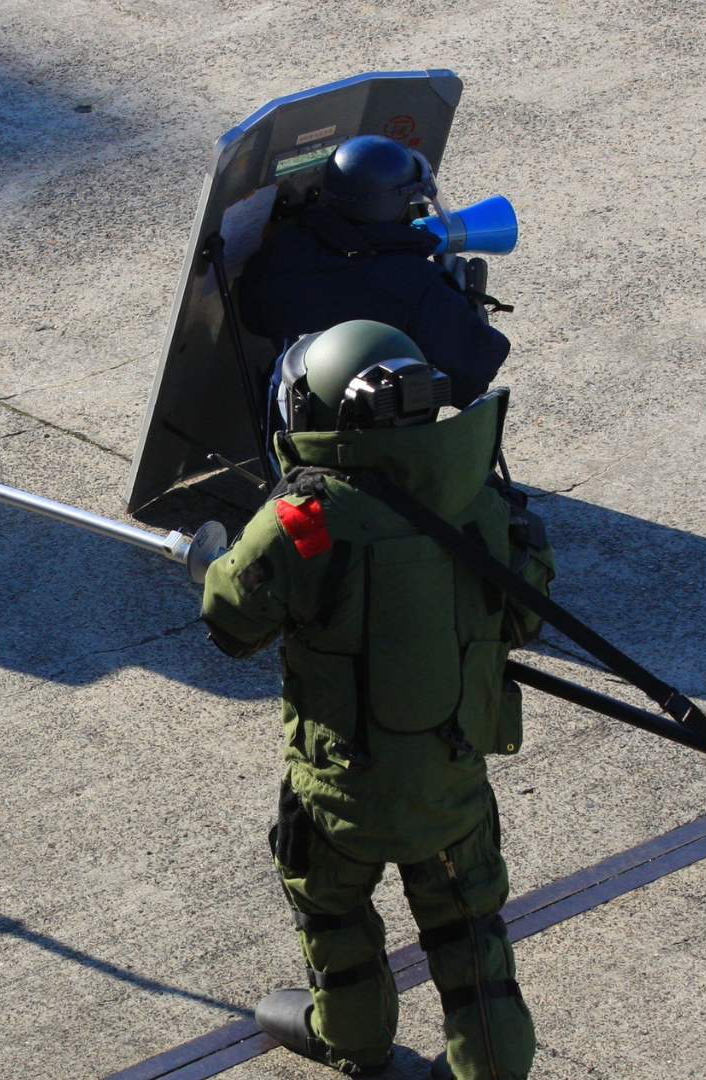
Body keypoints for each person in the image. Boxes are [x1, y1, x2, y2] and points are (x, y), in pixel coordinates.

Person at [199, 320, 554, 1079]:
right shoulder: (478, 504)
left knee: (332, 913)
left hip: (340, 793)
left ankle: (353, 1040)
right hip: (450, 785)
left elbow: (231, 624)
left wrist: (215, 559)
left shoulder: (306, 520)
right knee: (470, 939)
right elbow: (526, 614)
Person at [237, 135, 510, 413]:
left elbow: (252, 319)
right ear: (397, 203)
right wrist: (470, 304)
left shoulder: (283, 251)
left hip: (293, 439)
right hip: (389, 449)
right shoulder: (416, 283)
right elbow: (472, 379)